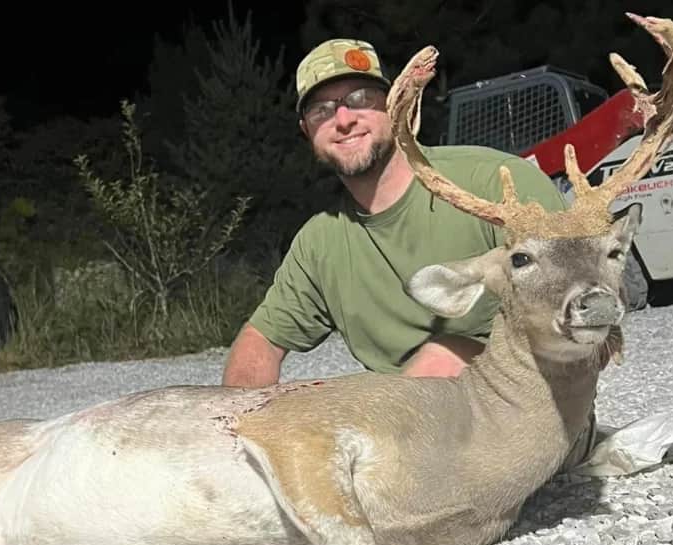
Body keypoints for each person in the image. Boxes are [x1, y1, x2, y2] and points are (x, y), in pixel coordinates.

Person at [222, 37, 570, 388]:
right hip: (407, 420)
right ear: (306, 130)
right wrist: (238, 419)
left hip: (529, 409)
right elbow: (260, 340)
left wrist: (456, 357)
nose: (343, 119)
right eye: (321, 110)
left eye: (360, 99)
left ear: (393, 105)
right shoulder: (320, 242)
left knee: (438, 362)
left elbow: (583, 314)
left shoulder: (496, 184)